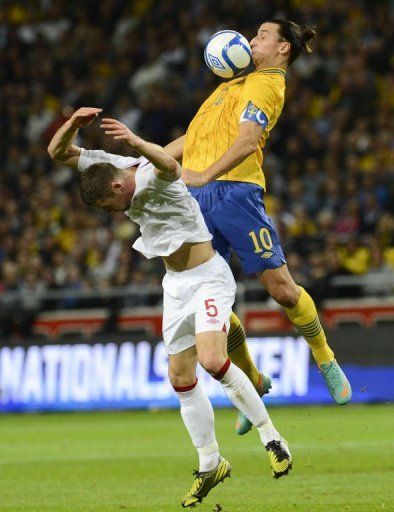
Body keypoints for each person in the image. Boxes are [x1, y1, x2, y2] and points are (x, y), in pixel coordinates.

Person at [47, 107, 292, 508]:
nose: (117, 213)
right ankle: (211, 462)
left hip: (209, 276)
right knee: (180, 378)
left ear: (117, 185)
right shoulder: (110, 167)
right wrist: (74, 123)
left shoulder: (151, 173)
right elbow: (58, 154)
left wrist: (140, 144)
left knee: (213, 361)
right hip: (175, 286)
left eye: (113, 205)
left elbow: (166, 162)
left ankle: (272, 438)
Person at [166, 20, 352, 435]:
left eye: (262, 36)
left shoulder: (267, 84)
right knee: (206, 301)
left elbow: (248, 141)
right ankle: (253, 380)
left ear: (283, 49)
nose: (252, 40)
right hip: (198, 202)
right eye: (253, 36)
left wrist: (201, 175)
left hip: (236, 194)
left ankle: (324, 356)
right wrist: (146, 161)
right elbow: (192, 139)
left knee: (281, 289)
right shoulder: (228, 85)